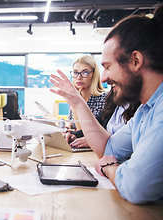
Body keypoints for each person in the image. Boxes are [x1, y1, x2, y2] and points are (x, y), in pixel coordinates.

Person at [49, 4, 163, 204]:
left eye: (108, 67)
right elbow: (109, 148)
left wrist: (109, 168)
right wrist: (77, 102)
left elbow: (136, 187)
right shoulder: (146, 111)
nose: (103, 78)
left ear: (135, 61)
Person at [66, 89, 140, 148]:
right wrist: (74, 135)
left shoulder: (140, 110)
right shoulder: (113, 103)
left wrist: (97, 141)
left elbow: (128, 142)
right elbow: (97, 124)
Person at [68, 55, 107, 130]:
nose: (79, 77)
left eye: (85, 73)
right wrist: (68, 126)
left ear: (94, 75)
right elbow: (72, 121)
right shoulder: (74, 96)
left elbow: (84, 133)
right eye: (76, 72)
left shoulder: (104, 99)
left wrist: (74, 105)